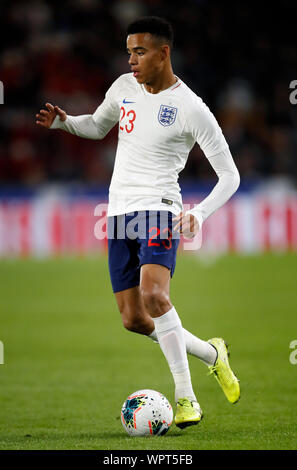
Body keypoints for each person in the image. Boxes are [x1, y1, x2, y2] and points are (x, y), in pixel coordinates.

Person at [36, 16, 240, 429]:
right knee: (133, 319)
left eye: (140, 52)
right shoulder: (123, 88)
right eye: (129, 51)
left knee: (154, 296)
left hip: (160, 208)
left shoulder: (191, 108)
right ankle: (212, 354)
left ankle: (186, 399)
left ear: (164, 53)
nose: (131, 60)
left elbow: (230, 175)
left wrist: (198, 213)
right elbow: (97, 125)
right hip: (117, 213)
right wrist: (65, 122)